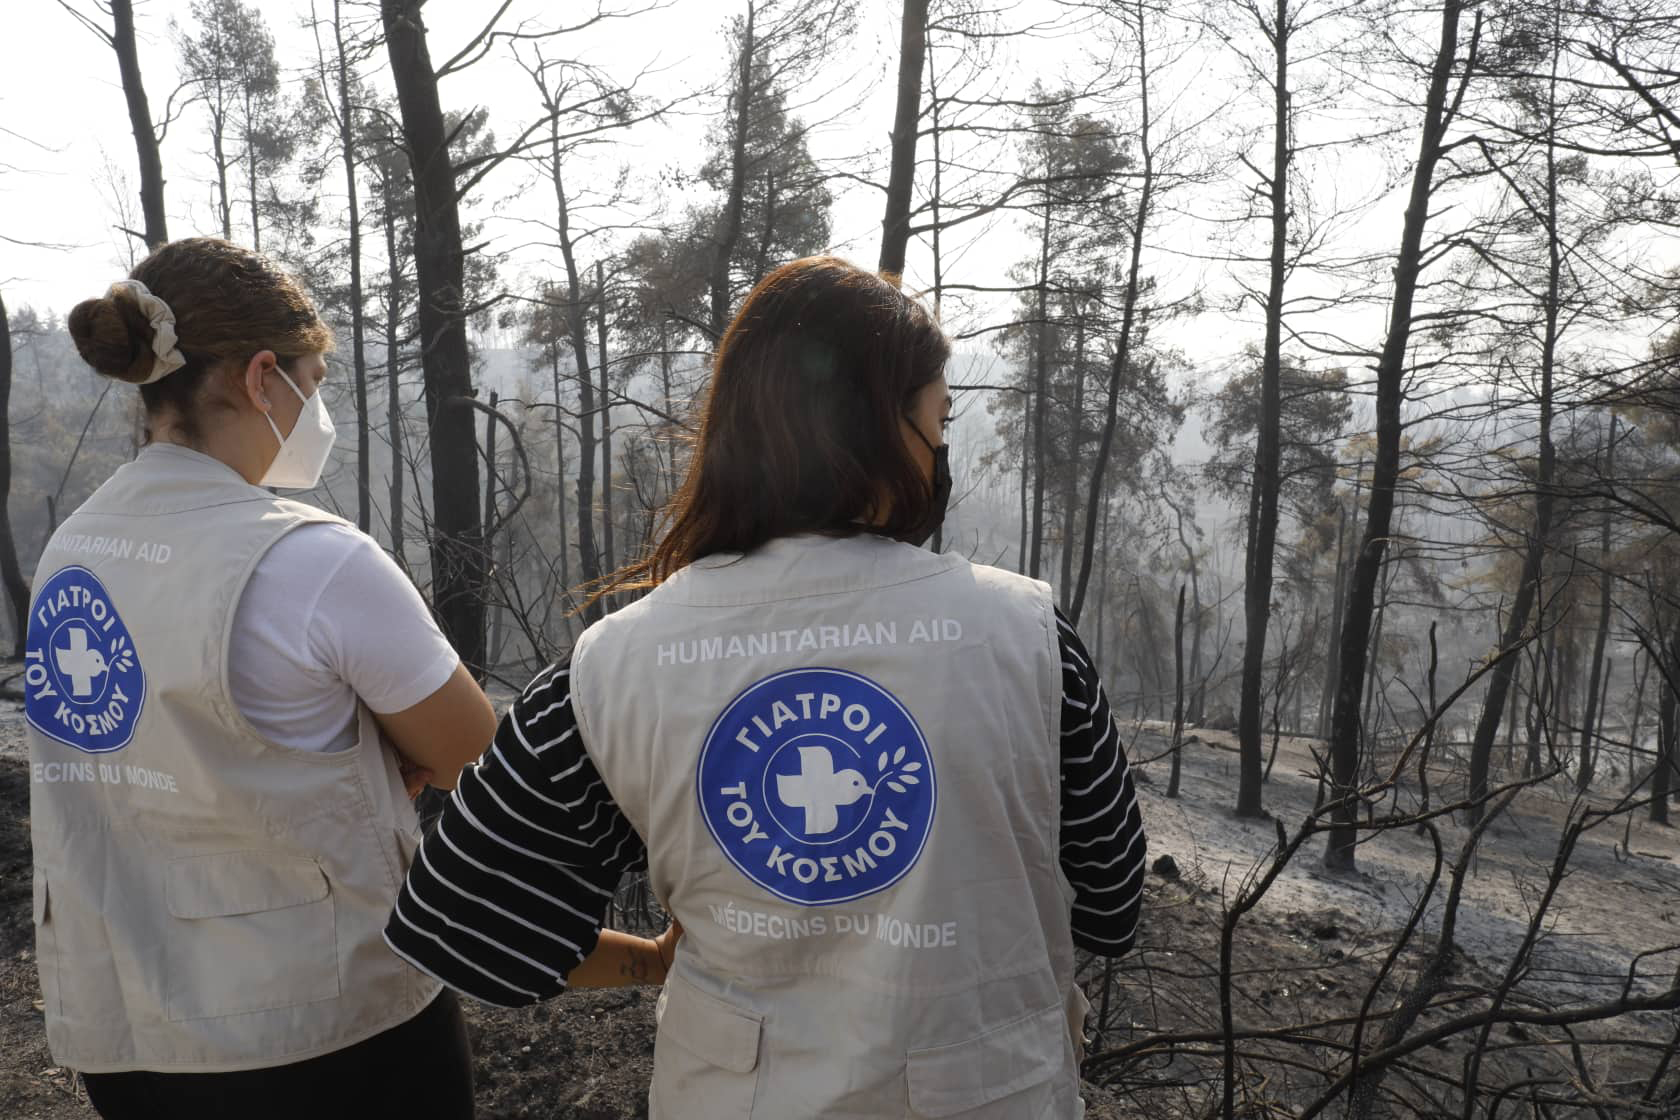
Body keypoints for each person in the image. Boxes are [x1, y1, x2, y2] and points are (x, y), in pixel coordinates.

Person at [386, 255, 1147, 1118]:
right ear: (881, 428)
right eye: (939, 420)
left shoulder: (613, 667)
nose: (941, 449)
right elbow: (1113, 905)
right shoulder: (1027, 635)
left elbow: (466, 921)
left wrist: (656, 959)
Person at [28, 237, 501, 1119]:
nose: (316, 412)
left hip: (125, 1026)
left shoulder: (73, 550)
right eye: (311, 384)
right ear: (259, 379)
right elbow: (480, 755)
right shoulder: (311, 559)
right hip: (322, 1029)